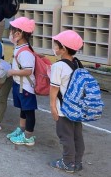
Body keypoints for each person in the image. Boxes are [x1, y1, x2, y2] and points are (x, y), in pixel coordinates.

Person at [49, 30, 85, 173]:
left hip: (63, 109)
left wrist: (53, 107)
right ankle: (77, 162)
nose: (54, 47)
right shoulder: (77, 63)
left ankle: (67, 163)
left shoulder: (58, 66)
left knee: (65, 136)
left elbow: (54, 89)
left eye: (56, 45)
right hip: (77, 108)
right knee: (77, 135)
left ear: (63, 48)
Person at [5, 17, 37, 146]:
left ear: (19, 34)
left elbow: (28, 71)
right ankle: (22, 130)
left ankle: (28, 136)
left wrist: (12, 72)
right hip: (20, 84)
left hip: (26, 87)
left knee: (29, 111)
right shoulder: (20, 47)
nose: (10, 34)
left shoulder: (25, 52)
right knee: (23, 110)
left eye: (12, 31)